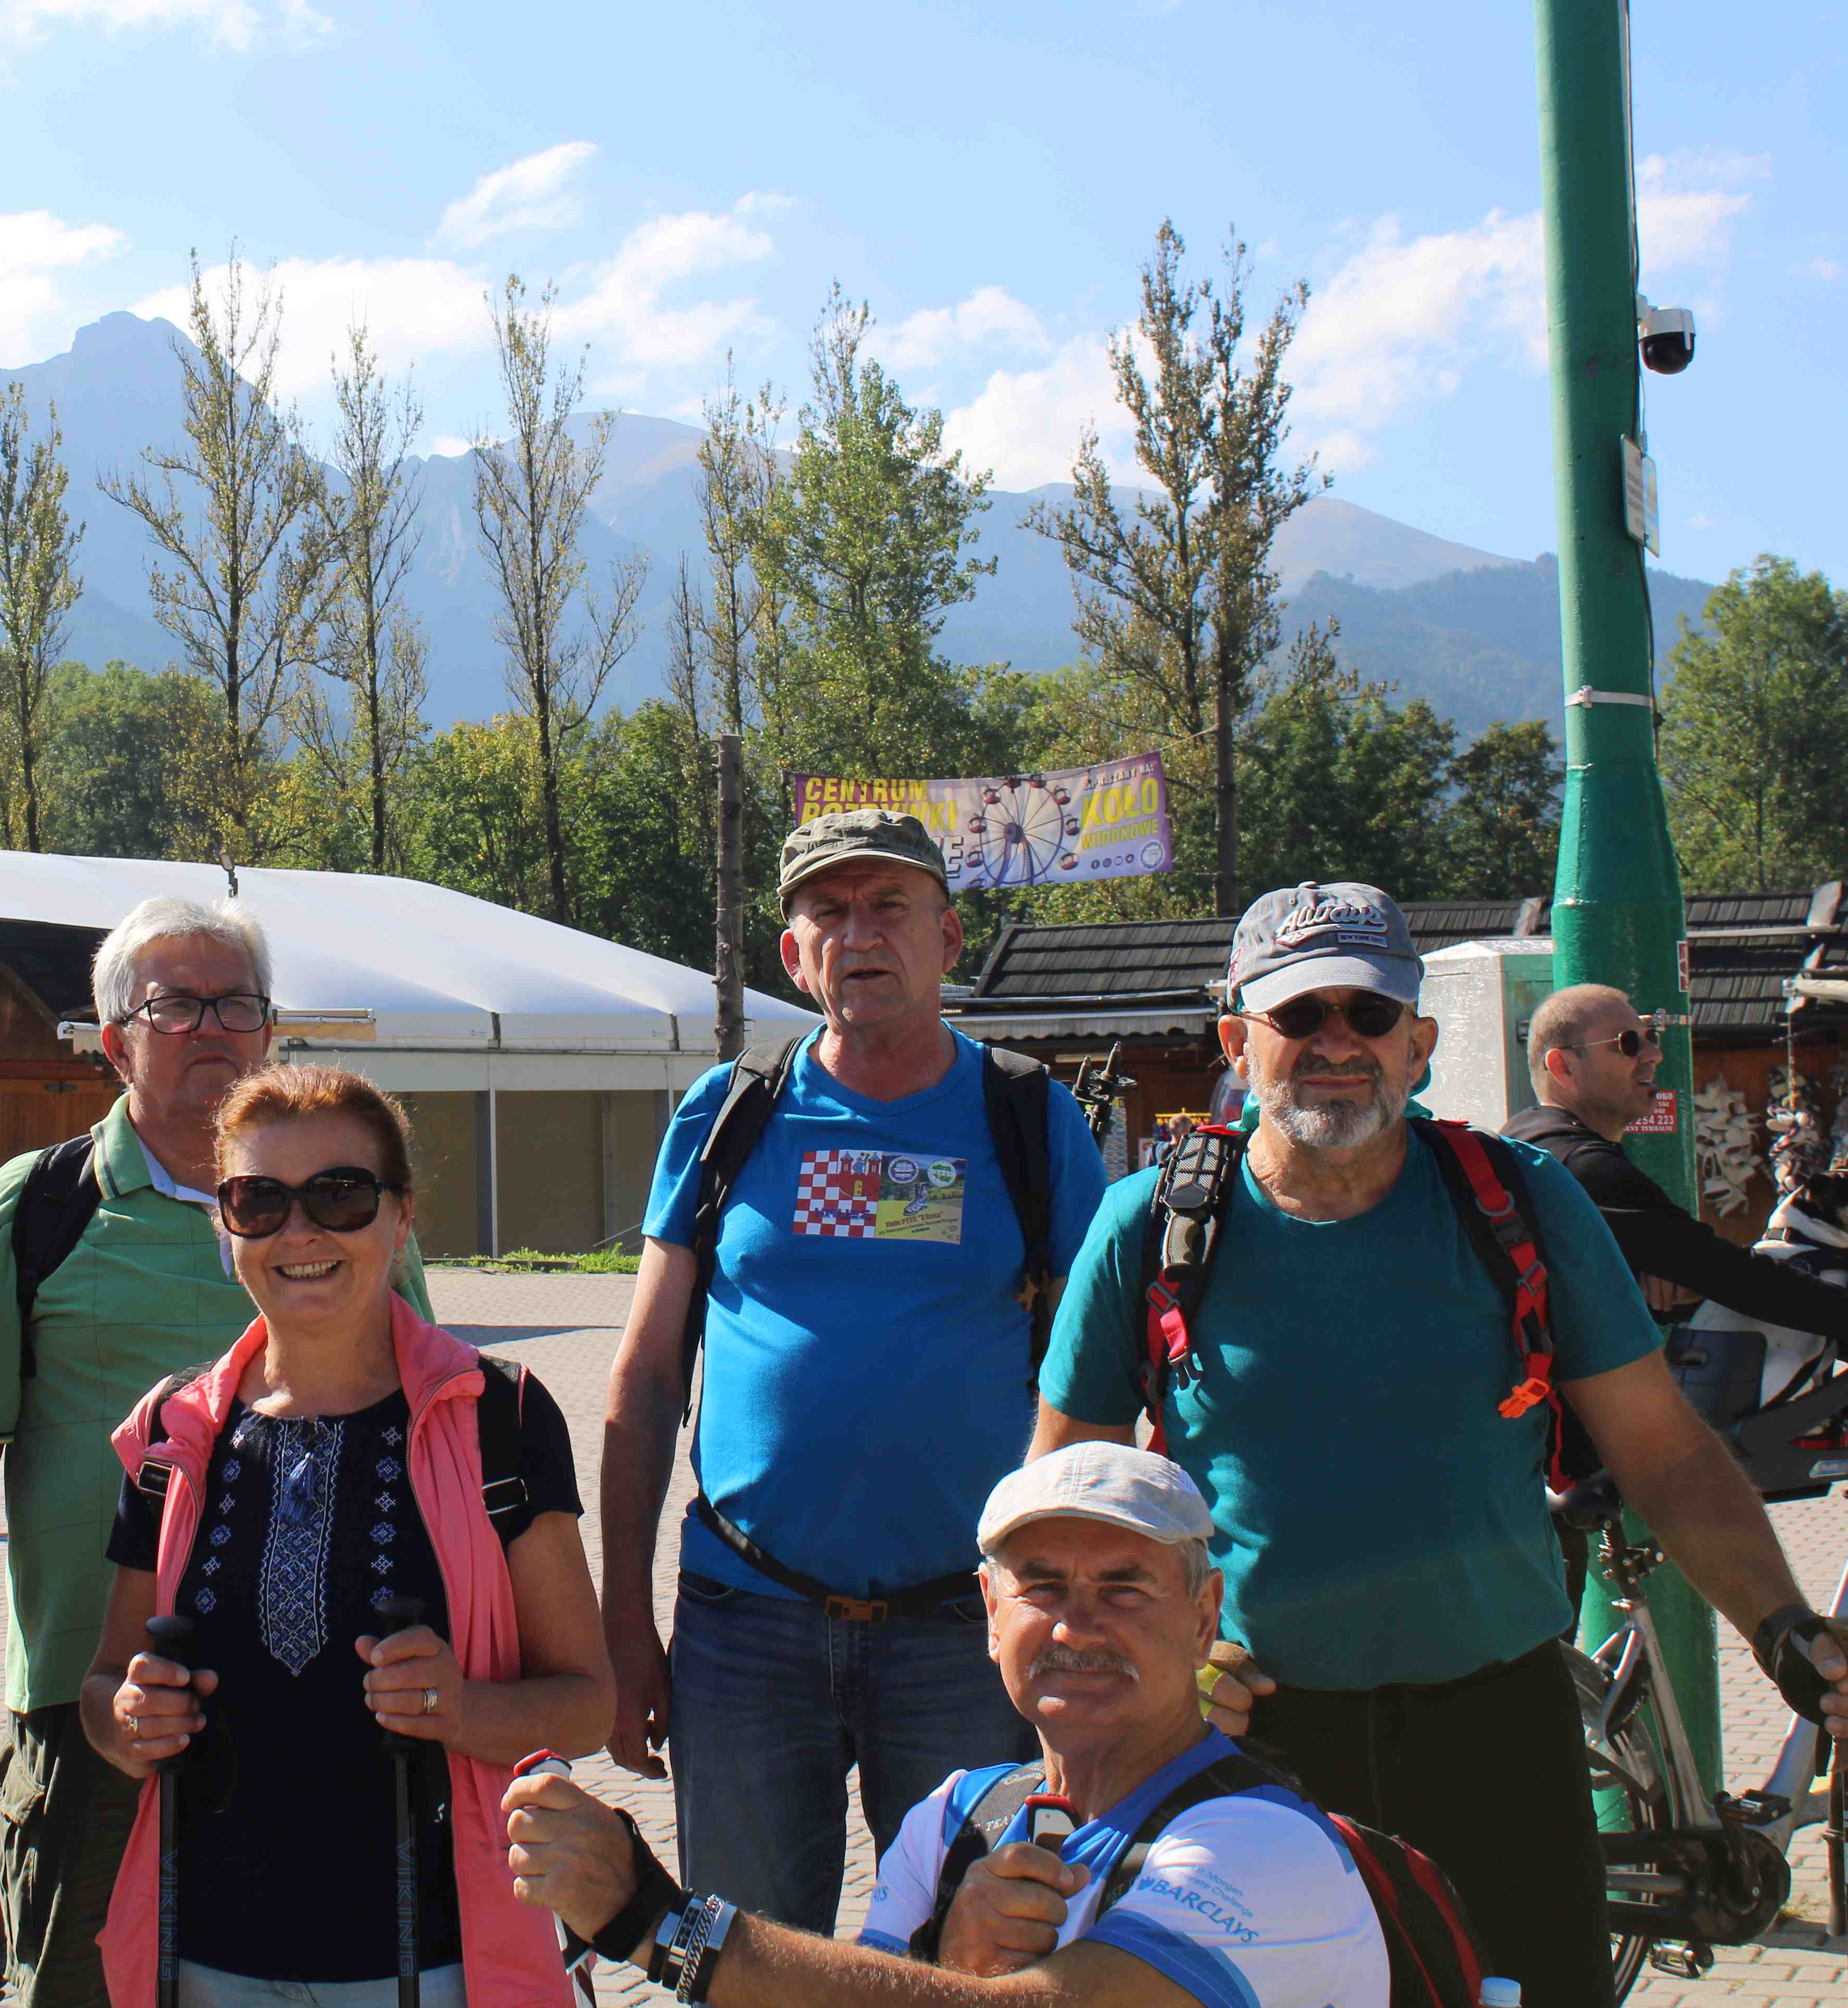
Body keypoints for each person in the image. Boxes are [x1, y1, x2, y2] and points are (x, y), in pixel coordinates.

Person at [1033, 882, 1848, 2008]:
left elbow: (1666, 1455)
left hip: (1500, 1734)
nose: (1336, 1043)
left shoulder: (1520, 1200)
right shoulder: (1156, 1225)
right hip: (1249, 1741)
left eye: (1369, 1015)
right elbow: (1066, 1505)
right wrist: (1143, 1679)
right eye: (1299, 1014)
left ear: (1417, 1045)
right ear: (1237, 1043)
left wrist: (1783, 1627)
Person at [0, 897, 437, 2008]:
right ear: (113, 1043)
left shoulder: (354, 1212)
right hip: (102, 1708)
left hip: (341, 1705)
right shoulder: (34, 1210)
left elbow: (434, 1429)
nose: (211, 1028)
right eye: (174, 1006)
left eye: (236, 1003)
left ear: (270, 1029)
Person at [603, 807, 1109, 1932]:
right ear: (794, 955)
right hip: (745, 1625)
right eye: (828, 912)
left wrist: (1083, 1612)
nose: (859, 933)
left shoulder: (1030, 1117)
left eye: (889, 906)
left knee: (970, 1960)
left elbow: (1097, 1381)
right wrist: (622, 1625)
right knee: (745, 1963)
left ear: (948, 936)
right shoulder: (729, 1112)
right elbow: (643, 1381)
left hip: (965, 1631)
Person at [503, 1443, 1389, 2008]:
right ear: (991, 1616)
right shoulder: (958, 1816)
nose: (1078, 1628)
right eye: (1043, 1587)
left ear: (1203, 1618)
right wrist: (950, 1960)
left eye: (1125, 1588)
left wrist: (655, 1920)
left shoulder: (1260, 1842)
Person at [87, 1064, 606, 2007]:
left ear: (401, 1218)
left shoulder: (499, 1416)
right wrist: (129, 1723)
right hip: (201, 1959)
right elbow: (101, 1692)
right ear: (225, 1227)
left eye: (340, 1195)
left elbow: (588, 1704)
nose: (300, 1232)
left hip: (438, 1963)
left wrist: (463, 1711)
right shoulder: (173, 1431)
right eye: (258, 1201)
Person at [1505, 982, 1848, 1354]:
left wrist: (1648, 1277)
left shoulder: (1523, 1136)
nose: (1654, 1055)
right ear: (1563, 1067)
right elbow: (1730, 1275)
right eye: (1628, 1043)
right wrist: (1692, 1275)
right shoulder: (1584, 1166)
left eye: (1651, 1038)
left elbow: (1694, 1268)